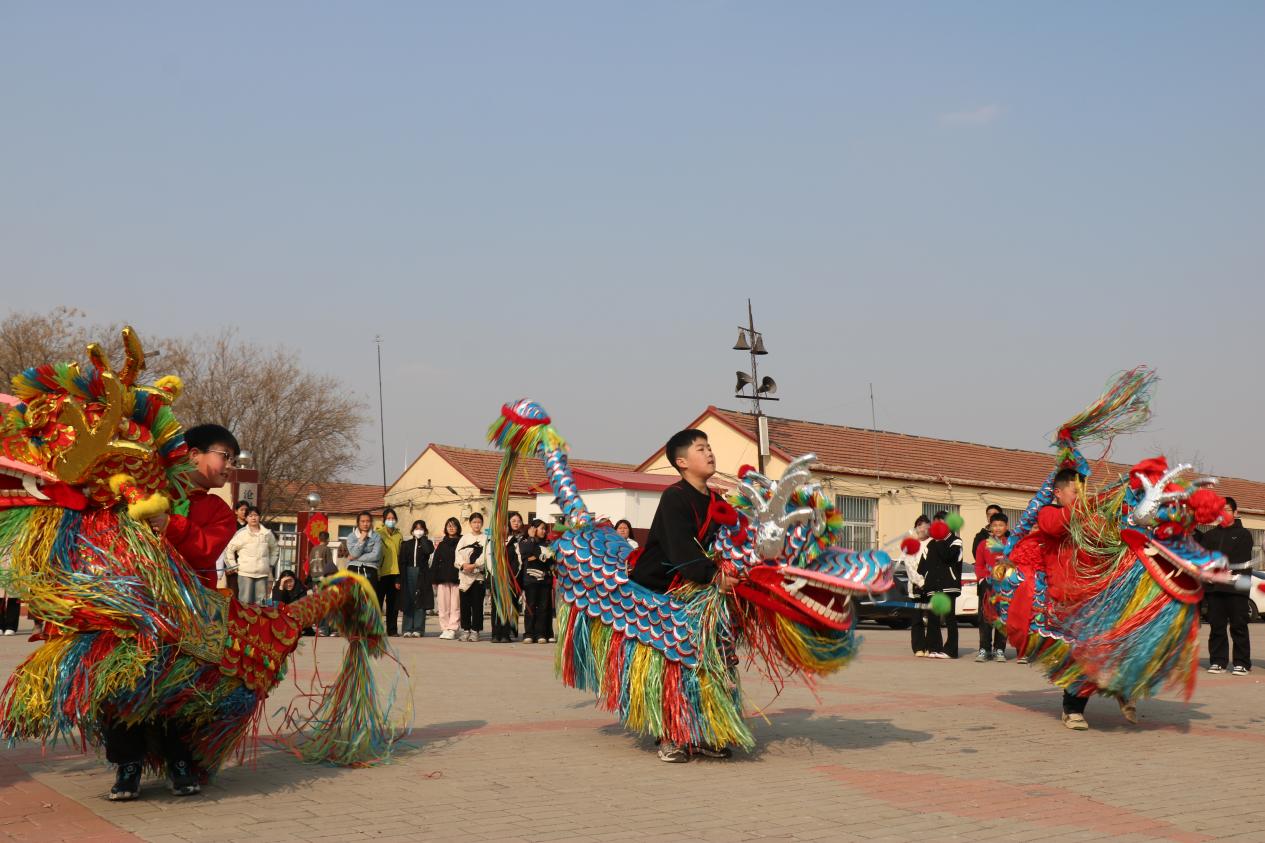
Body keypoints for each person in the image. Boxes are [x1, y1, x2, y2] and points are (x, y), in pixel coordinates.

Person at [106, 422, 241, 801]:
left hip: (189, 612)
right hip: (137, 607)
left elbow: (205, 550)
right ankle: (127, 764)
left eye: (233, 459)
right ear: (192, 454)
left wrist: (171, 524)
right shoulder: (149, 490)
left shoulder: (218, 510)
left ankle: (179, 761)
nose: (229, 465)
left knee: (181, 688)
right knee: (123, 682)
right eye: (224, 455)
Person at [629, 428, 737, 762]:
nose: (709, 453)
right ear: (681, 462)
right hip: (661, 591)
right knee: (672, 665)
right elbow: (681, 550)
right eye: (701, 448)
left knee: (716, 660)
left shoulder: (718, 500)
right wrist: (714, 577)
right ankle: (670, 735)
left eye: (709, 447)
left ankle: (708, 731)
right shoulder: (675, 497)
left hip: (702, 591)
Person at [1198, 497, 1255, 676]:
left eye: (1228, 510)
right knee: (1217, 626)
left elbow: (1239, 559)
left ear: (1235, 513)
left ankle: (1242, 663)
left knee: (1239, 625)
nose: (1224, 513)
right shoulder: (1209, 536)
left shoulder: (1244, 534)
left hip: (1236, 586)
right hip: (1215, 589)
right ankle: (1218, 661)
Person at [922, 510, 963, 659]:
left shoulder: (956, 541)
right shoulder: (930, 544)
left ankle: (951, 650)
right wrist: (924, 580)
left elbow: (948, 557)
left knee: (949, 618)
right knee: (933, 618)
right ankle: (934, 648)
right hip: (933, 586)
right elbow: (923, 565)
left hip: (948, 585)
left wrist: (939, 540)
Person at [223, 506, 279, 606]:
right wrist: (232, 565)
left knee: (261, 604)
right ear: (246, 518)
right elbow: (229, 550)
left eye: (256, 515)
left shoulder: (267, 534)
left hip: (262, 574)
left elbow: (275, 550)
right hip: (245, 574)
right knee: (245, 603)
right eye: (250, 515)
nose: (253, 518)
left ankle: (260, 622)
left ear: (259, 517)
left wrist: (270, 565)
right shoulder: (241, 534)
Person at [974, 511, 1010, 663]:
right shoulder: (984, 544)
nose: (997, 528)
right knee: (986, 617)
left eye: (1001, 525)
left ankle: (1000, 649)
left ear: (1006, 527)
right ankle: (984, 649)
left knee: (1002, 618)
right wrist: (982, 579)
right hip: (988, 584)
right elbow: (979, 564)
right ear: (990, 527)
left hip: (1005, 585)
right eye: (994, 525)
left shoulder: (1010, 544)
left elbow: (1016, 563)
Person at [492, 512, 526, 643]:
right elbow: (490, 559)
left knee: (510, 605)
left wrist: (511, 574)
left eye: (519, 520)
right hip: (497, 578)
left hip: (511, 578)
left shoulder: (516, 542)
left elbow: (518, 561)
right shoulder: (494, 541)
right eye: (513, 521)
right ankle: (496, 633)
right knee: (497, 606)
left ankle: (507, 632)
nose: (516, 523)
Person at [456, 512, 488, 642]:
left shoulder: (486, 538)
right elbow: (457, 554)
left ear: (482, 524)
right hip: (464, 577)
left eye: (479, 522)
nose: (476, 524)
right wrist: (464, 565)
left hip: (478, 577)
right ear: (470, 523)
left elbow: (486, 555)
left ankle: (475, 630)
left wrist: (474, 565)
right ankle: (465, 630)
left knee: (477, 605)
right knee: (464, 605)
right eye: (474, 522)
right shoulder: (464, 538)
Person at [902, 515, 931, 657]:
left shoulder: (934, 544)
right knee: (917, 619)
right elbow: (909, 566)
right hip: (916, 588)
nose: (922, 529)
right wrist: (920, 582)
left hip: (931, 588)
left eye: (925, 526)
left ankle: (930, 647)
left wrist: (929, 582)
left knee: (932, 619)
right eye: (919, 526)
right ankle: (919, 647)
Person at [521, 519, 554, 643]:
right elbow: (525, 555)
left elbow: (550, 560)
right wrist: (531, 538)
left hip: (545, 580)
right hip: (531, 580)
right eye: (541, 528)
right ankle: (529, 633)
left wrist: (539, 557)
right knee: (530, 606)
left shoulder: (548, 543)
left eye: (545, 528)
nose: (543, 531)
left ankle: (541, 633)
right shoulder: (526, 541)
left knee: (543, 607)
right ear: (534, 529)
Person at [399, 520, 434, 638]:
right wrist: (400, 578)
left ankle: (418, 629)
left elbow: (428, 551)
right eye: (416, 528)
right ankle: (407, 628)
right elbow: (402, 562)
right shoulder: (406, 544)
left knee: (420, 601)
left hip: (422, 573)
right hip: (408, 572)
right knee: (408, 599)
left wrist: (422, 538)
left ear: (424, 531)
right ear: (412, 530)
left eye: (421, 529)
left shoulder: (428, 543)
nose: (418, 531)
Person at [431, 518, 462, 640]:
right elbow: (435, 561)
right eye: (449, 526)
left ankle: (452, 628)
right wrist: (433, 578)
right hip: (442, 579)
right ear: (446, 528)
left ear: (458, 528)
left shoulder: (461, 542)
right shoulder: (442, 544)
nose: (451, 528)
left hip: (457, 579)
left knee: (455, 605)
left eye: (454, 526)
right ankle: (445, 628)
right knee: (443, 605)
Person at [375, 508, 404, 637]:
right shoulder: (378, 533)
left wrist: (399, 577)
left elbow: (401, 555)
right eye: (388, 518)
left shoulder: (399, 535)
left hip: (395, 573)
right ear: (384, 519)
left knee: (393, 604)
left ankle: (392, 630)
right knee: (378, 602)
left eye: (393, 519)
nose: (391, 521)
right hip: (381, 573)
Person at [346, 511, 382, 599]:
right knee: (353, 598)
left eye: (368, 521)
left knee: (369, 599)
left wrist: (355, 558)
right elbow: (354, 553)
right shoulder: (351, 536)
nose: (365, 524)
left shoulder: (376, 536)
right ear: (358, 523)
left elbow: (376, 555)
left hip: (370, 568)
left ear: (371, 522)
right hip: (353, 568)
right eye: (362, 521)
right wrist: (361, 539)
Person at [307, 531, 338, 636]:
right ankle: (327, 629)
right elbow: (329, 565)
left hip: (314, 579)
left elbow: (310, 565)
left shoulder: (313, 549)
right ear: (328, 539)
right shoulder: (326, 549)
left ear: (319, 539)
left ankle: (319, 628)